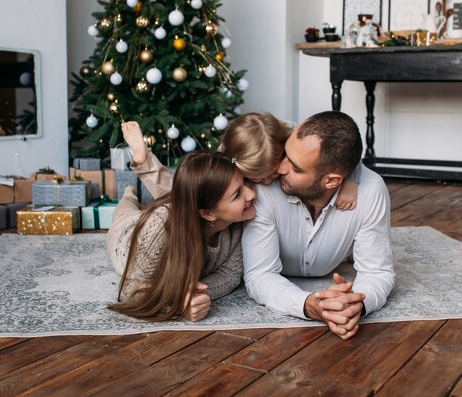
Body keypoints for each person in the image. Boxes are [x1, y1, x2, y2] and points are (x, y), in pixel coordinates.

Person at [241, 110, 395, 340]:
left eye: (295, 167)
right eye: (285, 154)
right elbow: (259, 274)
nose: (279, 168)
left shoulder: (371, 190)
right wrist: (308, 305)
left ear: (332, 180)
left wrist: (355, 305)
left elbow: (377, 272)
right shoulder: (262, 186)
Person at [107, 121, 256, 322]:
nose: (252, 193)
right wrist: (178, 302)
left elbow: (230, 275)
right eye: (238, 194)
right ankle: (129, 194)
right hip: (127, 234)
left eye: (245, 183)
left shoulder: (236, 225)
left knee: (185, 193)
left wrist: (198, 294)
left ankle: (145, 163)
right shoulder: (158, 227)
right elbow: (133, 286)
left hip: (185, 211)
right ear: (208, 214)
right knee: (127, 209)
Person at [219, 111, 360, 210]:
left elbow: (342, 144)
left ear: (281, 148)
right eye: (258, 179)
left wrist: (351, 181)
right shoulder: (234, 162)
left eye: (272, 173)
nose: (268, 181)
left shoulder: (290, 133)